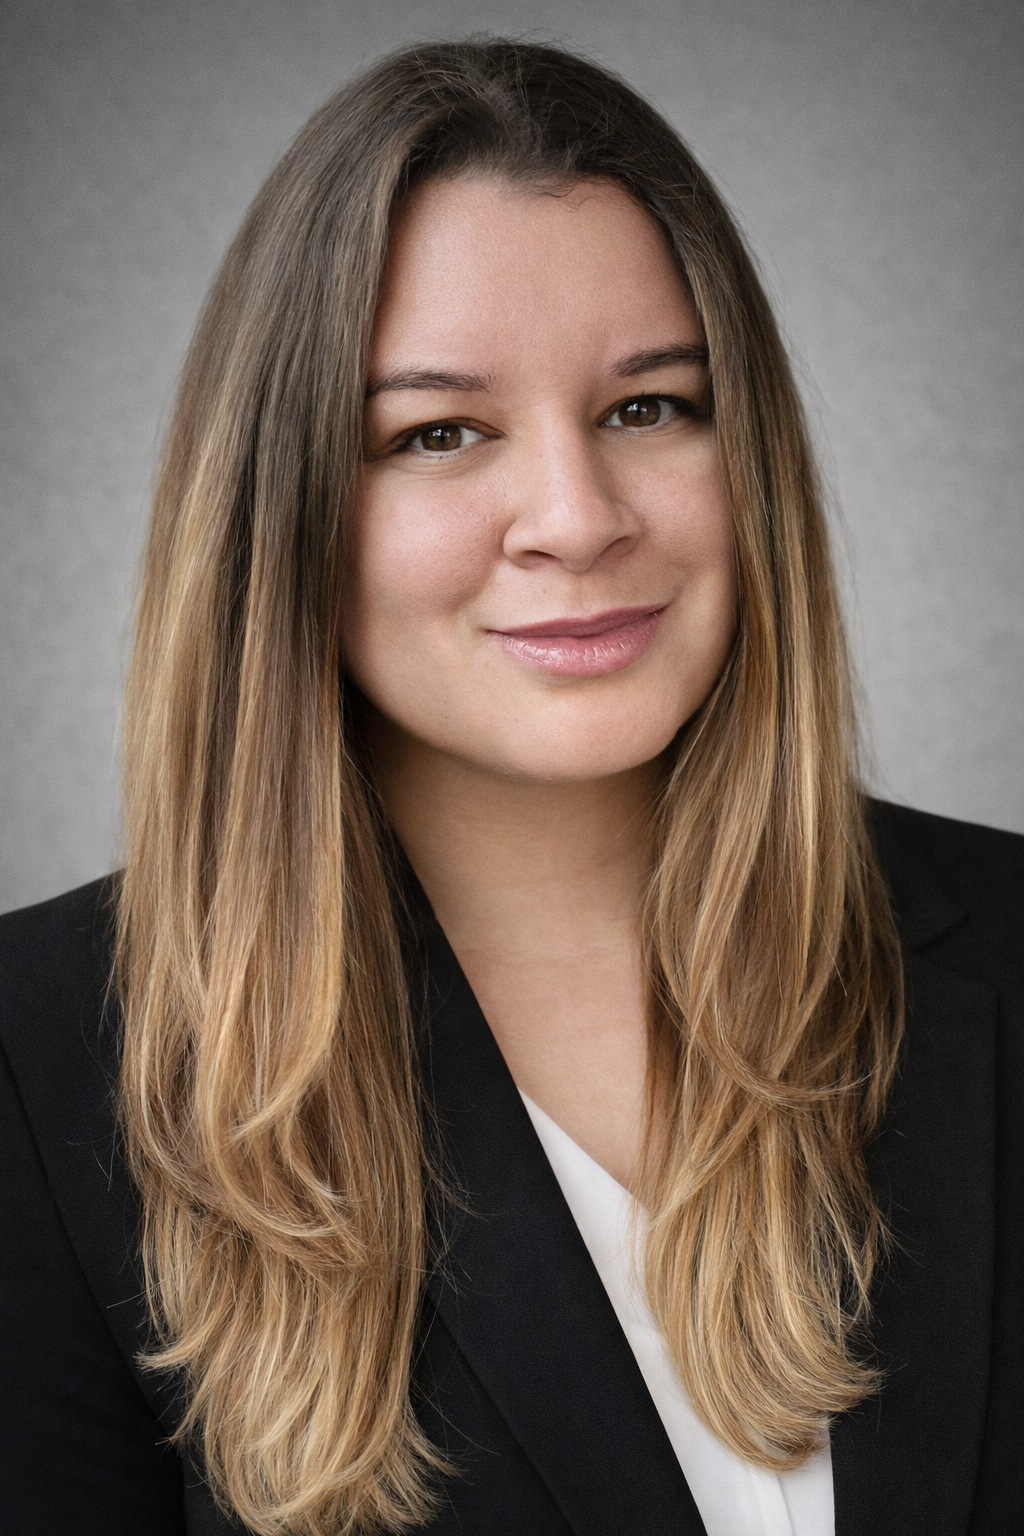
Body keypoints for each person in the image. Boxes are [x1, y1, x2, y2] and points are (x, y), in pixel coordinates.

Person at [0, 37, 1019, 1536]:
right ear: (283, 509)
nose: (576, 518)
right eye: (440, 433)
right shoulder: (36, 1070)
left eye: (648, 407)